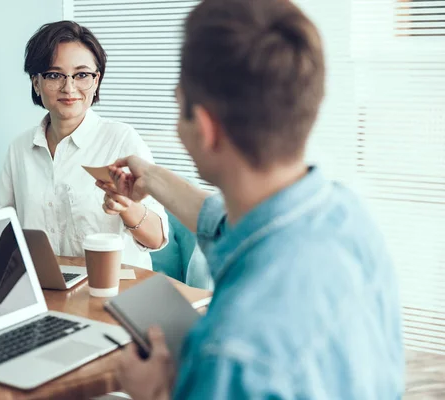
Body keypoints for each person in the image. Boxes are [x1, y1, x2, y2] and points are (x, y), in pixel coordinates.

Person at [103, 0, 404, 398]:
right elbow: (225, 224)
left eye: (180, 107)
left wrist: (157, 393)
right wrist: (151, 178)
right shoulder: (342, 212)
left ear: (207, 128)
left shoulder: (230, 354)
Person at [0, 21, 168, 269]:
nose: (69, 87)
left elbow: (157, 238)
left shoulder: (122, 140)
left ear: (96, 81)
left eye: (82, 75)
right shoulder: (20, 148)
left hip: (114, 292)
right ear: (36, 83)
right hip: (48, 288)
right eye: (54, 75)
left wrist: (127, 207)